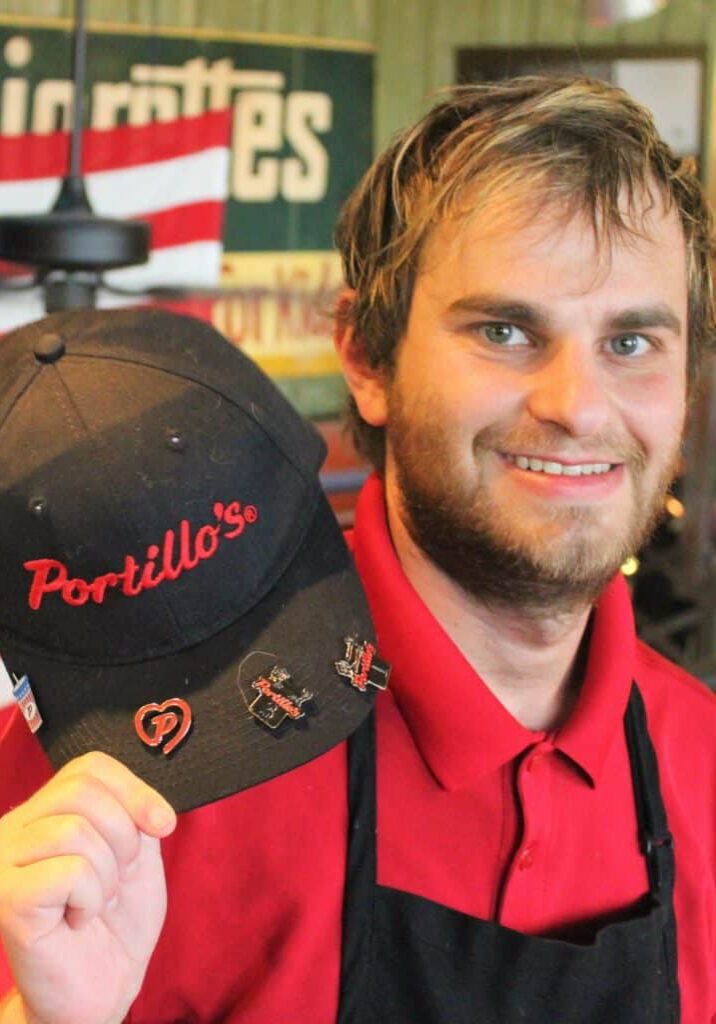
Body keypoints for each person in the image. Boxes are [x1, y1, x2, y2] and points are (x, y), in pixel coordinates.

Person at [1, 73, 716, 1023]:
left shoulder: (703, 760)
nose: (577, 405)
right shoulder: (122, 769)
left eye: (632, 343)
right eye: (505, 331)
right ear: (367, 360)